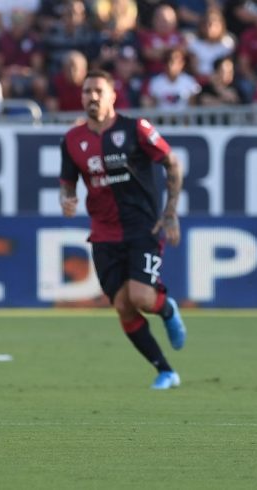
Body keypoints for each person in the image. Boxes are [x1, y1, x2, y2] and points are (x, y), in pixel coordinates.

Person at [59, 69, 187, 390]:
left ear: (113, 95)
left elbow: (172, 163)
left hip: (142, 226)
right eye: (87, 91)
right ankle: (165, 370)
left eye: (99, 91)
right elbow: (67, 182)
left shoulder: (136, 128)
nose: (92, 97)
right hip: (103, 232)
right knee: (122, 306)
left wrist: (170, 212)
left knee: (142, 297)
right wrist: (67, 199)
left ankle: (166, 307)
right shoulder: (72, 140)